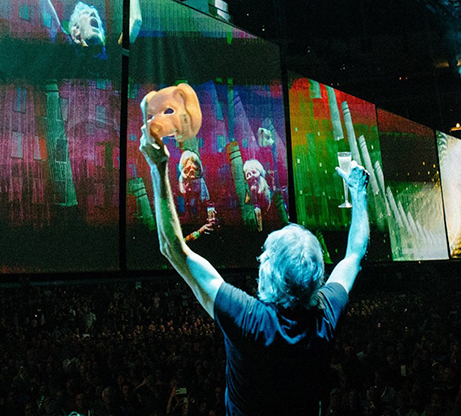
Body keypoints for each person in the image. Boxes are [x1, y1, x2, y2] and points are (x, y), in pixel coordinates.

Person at [139, 106, 370, 416]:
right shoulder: (325, 316)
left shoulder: (249, 319)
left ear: (267, 272)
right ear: (317, 278)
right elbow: (354, 254)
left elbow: (172, 248)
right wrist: (358, 190)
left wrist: (157, 167)